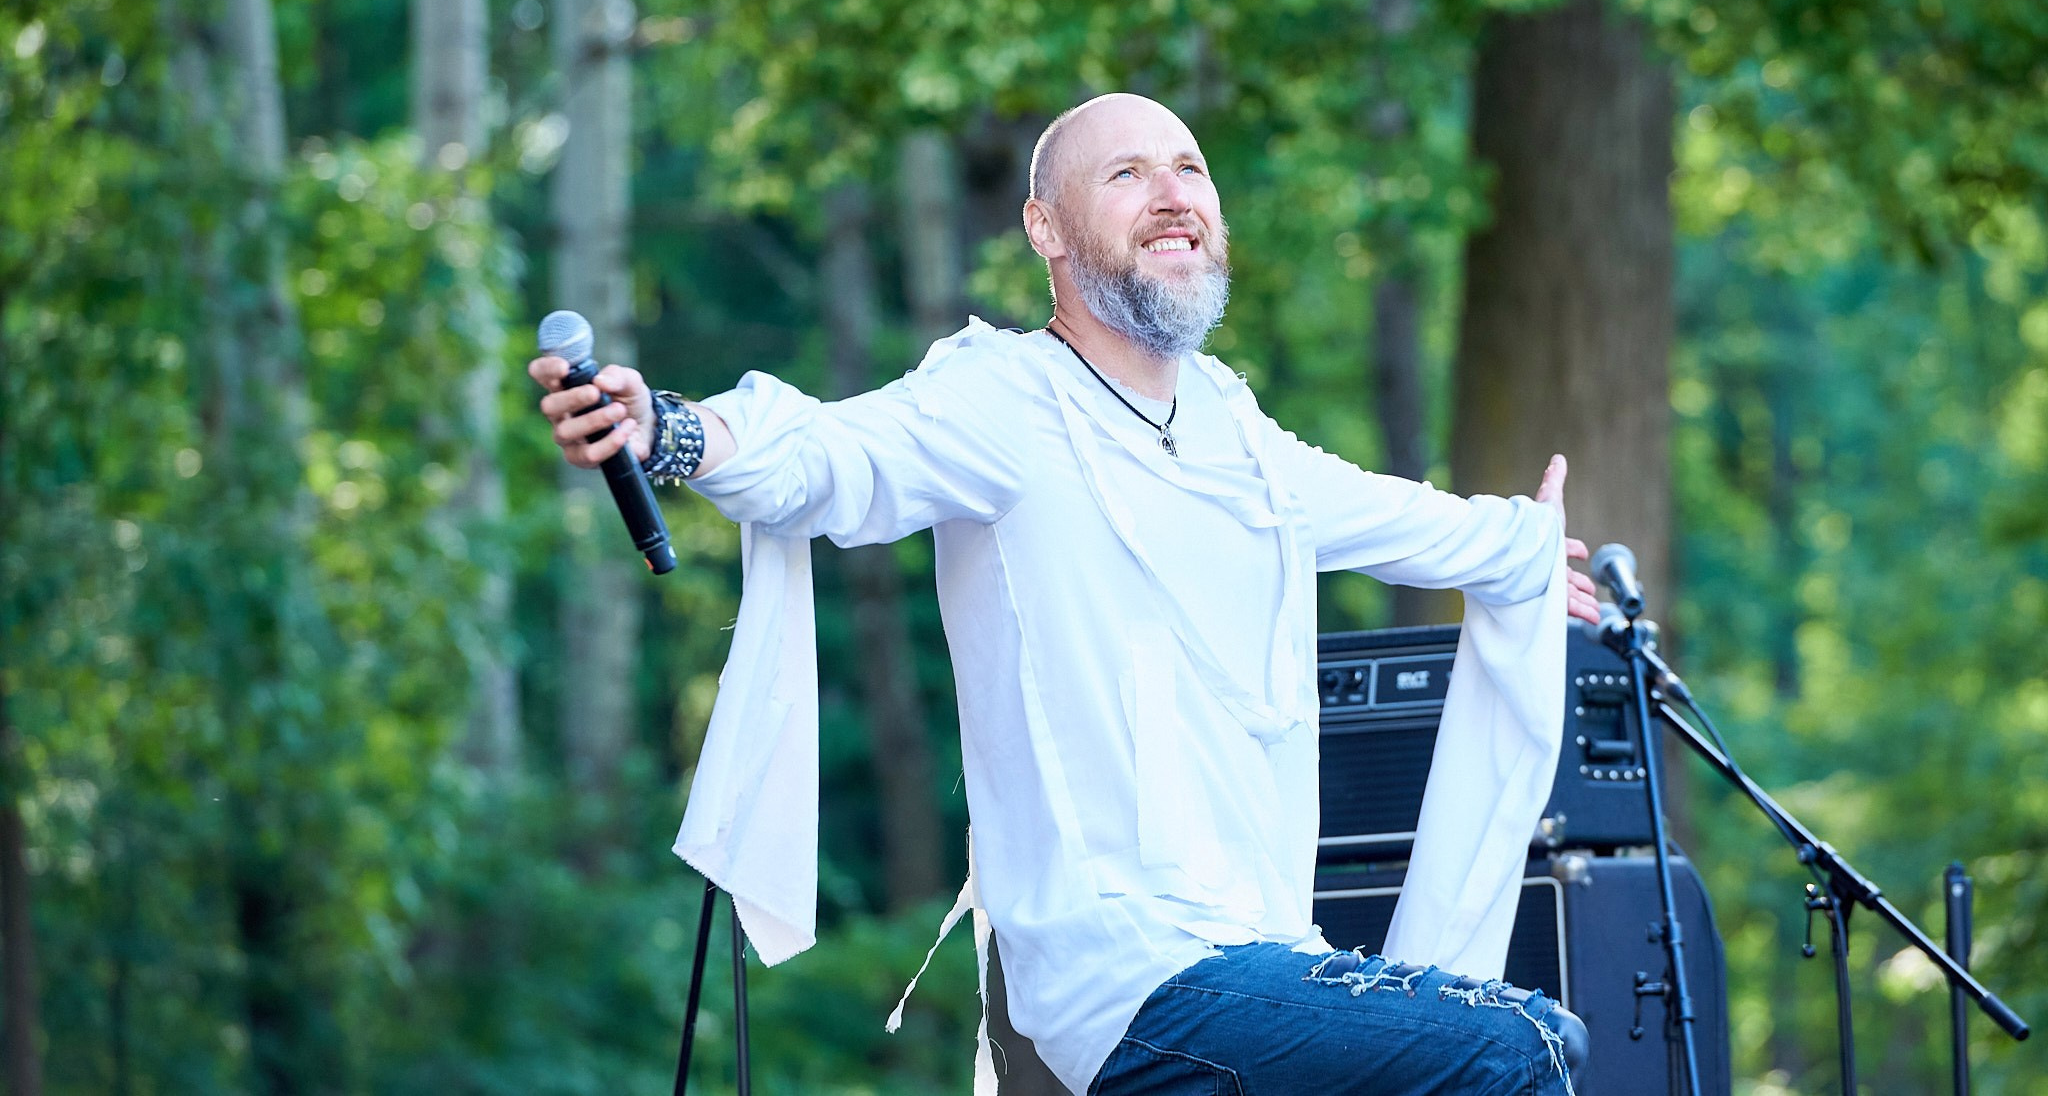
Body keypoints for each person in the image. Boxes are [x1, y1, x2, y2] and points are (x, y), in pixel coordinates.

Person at [532, 93, 1604, 1095]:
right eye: (1128, 174)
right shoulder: (1000, 398)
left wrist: (1516, 549)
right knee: (1512, 1048)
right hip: (1129, 976)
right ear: (1045, 229)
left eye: (1188, 167)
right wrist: (669, 429)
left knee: (1551, 1037)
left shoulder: (1235, 434)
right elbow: (826, 452)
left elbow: (1390, 514)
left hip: (1264, 954)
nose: (1173, 192)